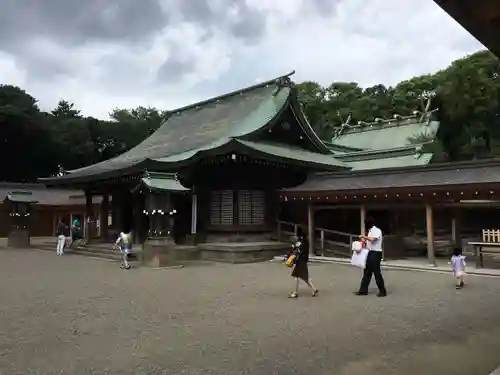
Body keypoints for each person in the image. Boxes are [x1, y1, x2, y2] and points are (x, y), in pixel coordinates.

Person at [356, 216, 387, 297]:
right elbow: (369, 241)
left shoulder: (376, 230)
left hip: (376, 253)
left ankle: (382, 291)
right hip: (370, 252)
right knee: (367, 272)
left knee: (376, 272)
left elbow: (373, 239)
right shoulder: (370, 231)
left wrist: (363, 237)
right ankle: (363, 290)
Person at [288, 227, 319, 298]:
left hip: (301, 261)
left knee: (298, 277)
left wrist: (295, 248)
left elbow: (299, 250)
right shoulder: (303, 240)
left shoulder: (303, 241)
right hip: (302, 261)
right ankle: (314, 289)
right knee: (304, 277)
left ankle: (295, 293)